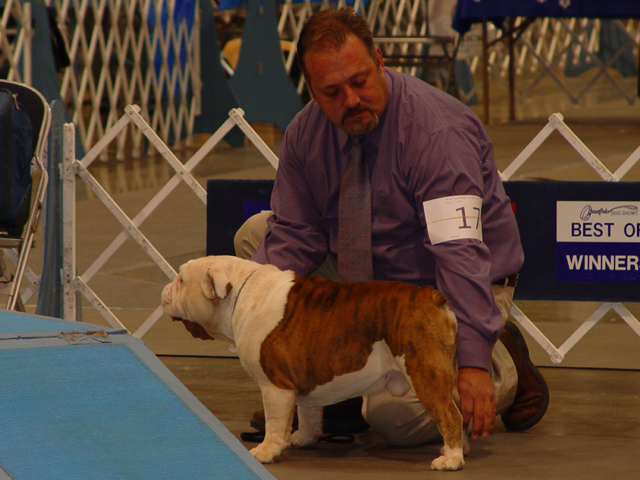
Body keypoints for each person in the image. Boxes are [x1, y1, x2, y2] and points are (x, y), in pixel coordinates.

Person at [232, 7, 549, 446]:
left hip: (439, 287)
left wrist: (472, 360)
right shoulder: (305, 134)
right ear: (311, 91)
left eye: (359, 81)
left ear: (380, 60)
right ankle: (336, 385)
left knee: (397, 420)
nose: (351, 101)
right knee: (254, 237)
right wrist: (230, 301)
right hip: (363, 292)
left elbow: (458, 253)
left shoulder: (437, 133)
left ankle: (501, 361)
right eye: (332, 92)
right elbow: (295, 238)